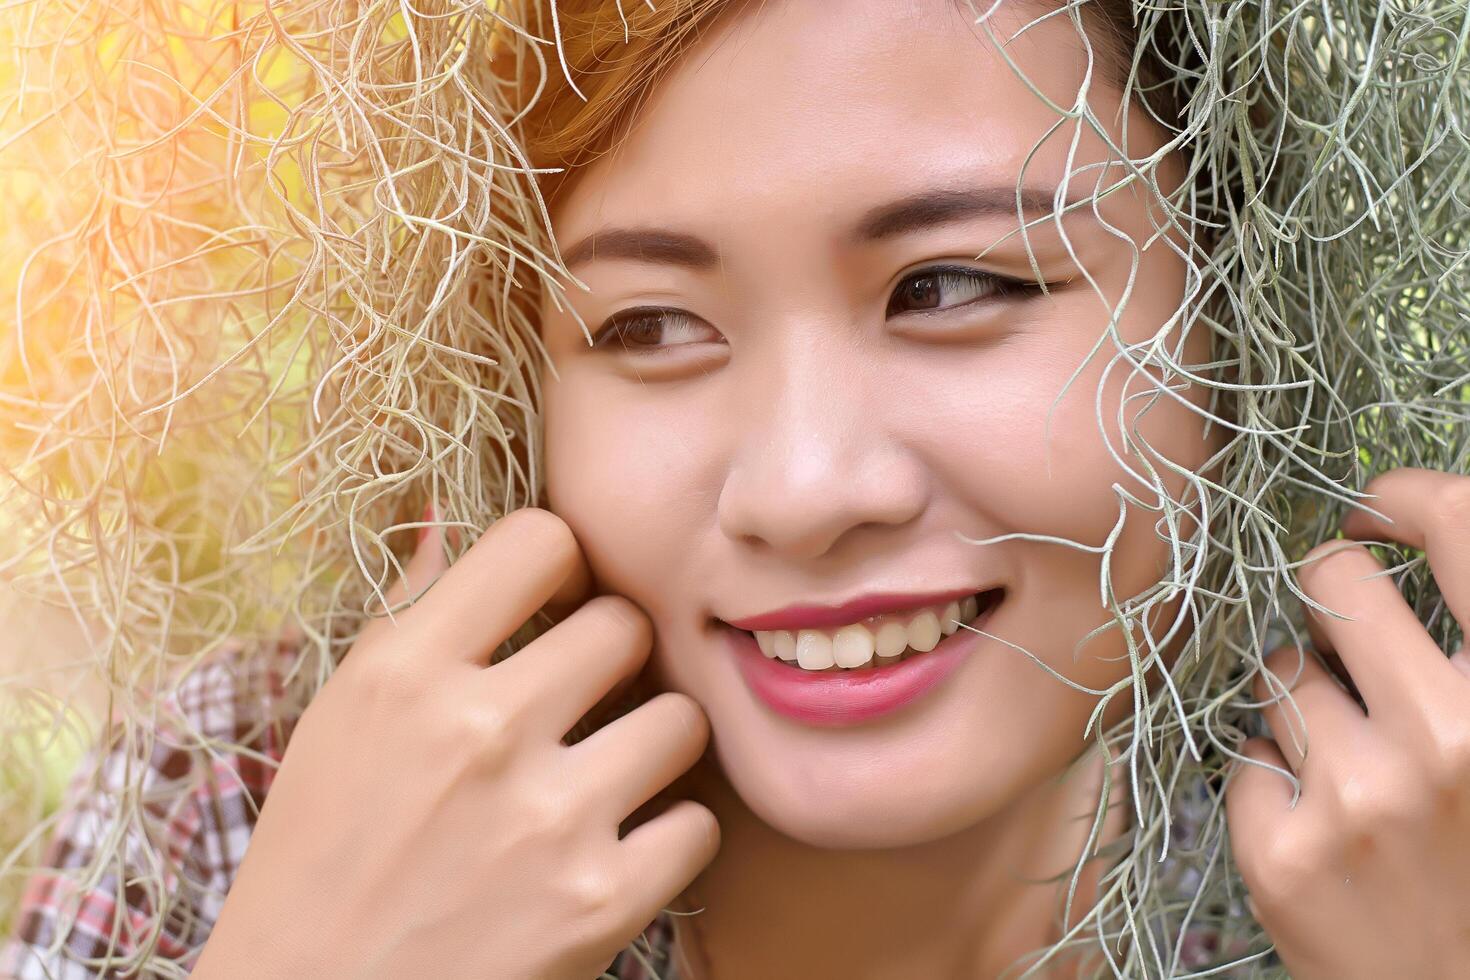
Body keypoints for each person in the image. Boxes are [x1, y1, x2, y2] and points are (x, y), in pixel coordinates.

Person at [1, 0, 1466, 977]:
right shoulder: (237, 802)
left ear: (1241, 310)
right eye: (645, 325)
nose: (803, 487)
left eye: (948, 285)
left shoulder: (1416, 848)